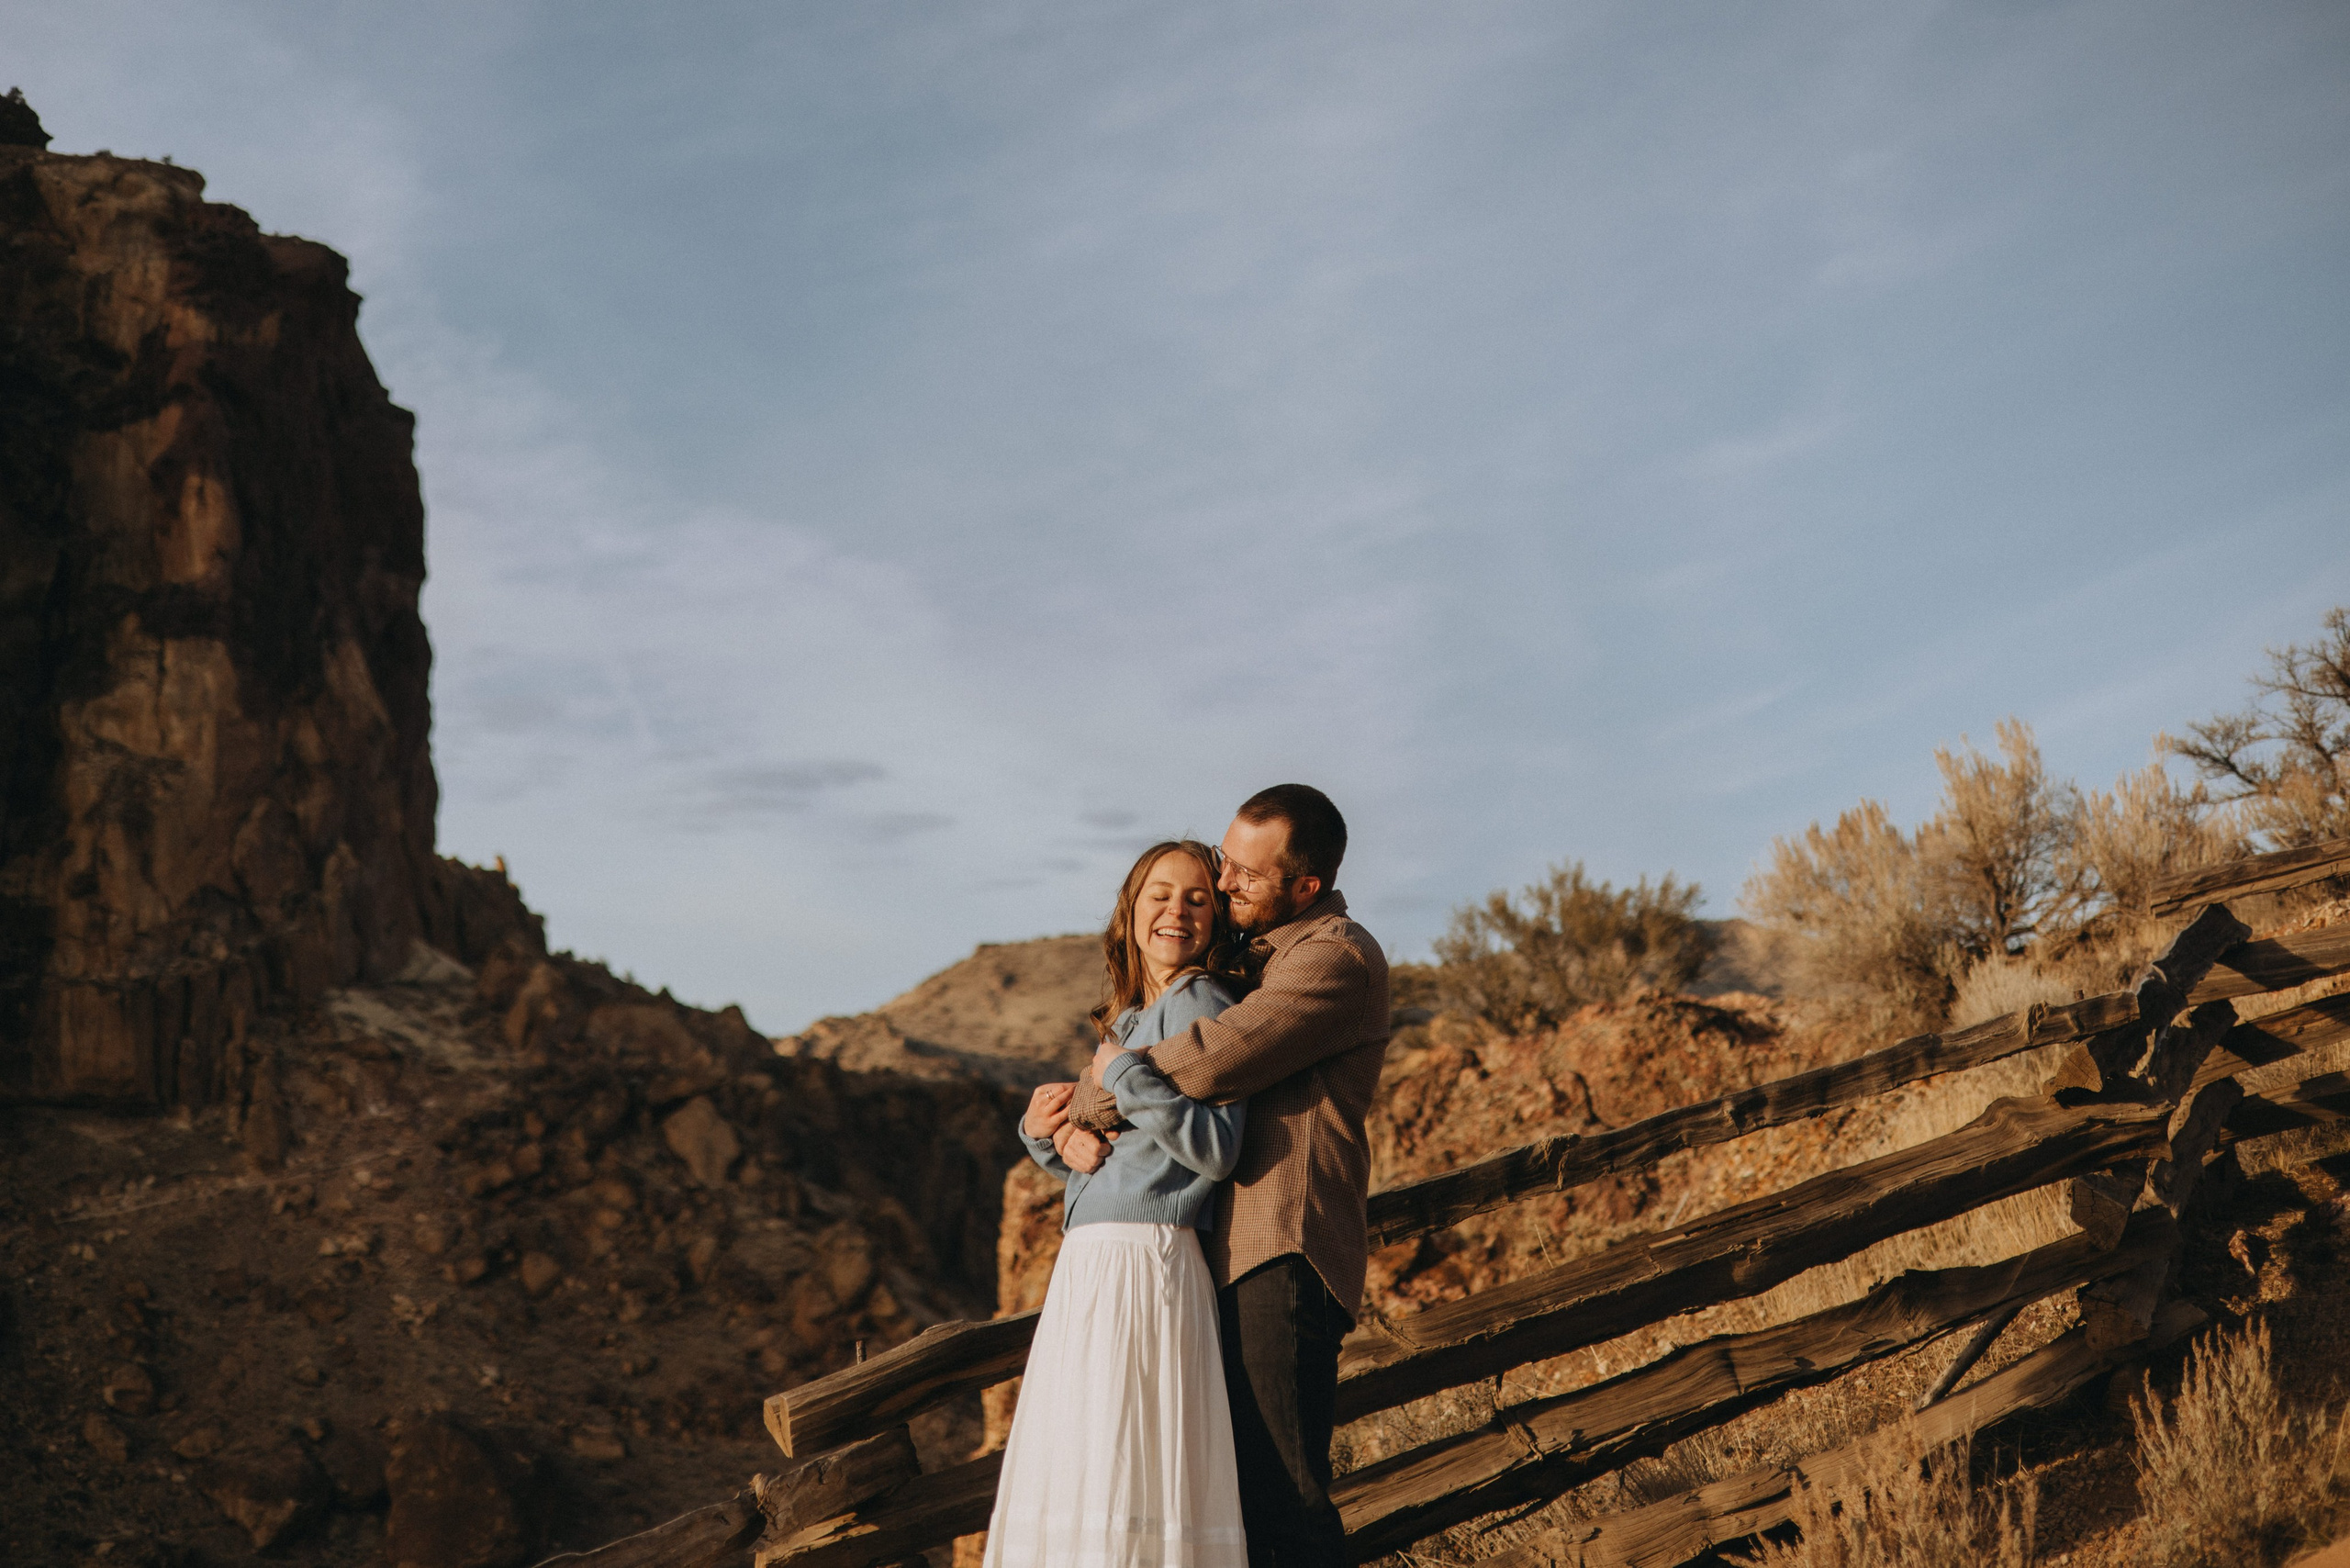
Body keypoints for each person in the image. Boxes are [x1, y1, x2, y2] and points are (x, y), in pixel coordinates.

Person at [1057, 785, 1390, 1568]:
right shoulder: (1254, 955)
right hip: (1221, 1256)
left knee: (1283, 1499)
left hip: (1283, 1249)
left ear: (1304, 887)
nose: (1226, 880)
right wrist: (1069, 1124)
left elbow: (1211, 1057)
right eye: (1223, 860)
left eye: (1244, 872)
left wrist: (1087, 1101)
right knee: (1228, 1497)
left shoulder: (1332, 956)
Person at [984, 839, 1256, 1568]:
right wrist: (1048, 1140)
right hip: (1098, 1262)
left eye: (1198, 898)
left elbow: (1215, 1148)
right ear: (1131, 911)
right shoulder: (1134, 1016)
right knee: (1092, 1460)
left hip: (1146, 1262)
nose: (1178, 910)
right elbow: (1114, 1159)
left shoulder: (1203, 1002)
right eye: (1160, 895)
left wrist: (1125, 1080)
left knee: (1123, 1463)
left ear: (1216, 919)